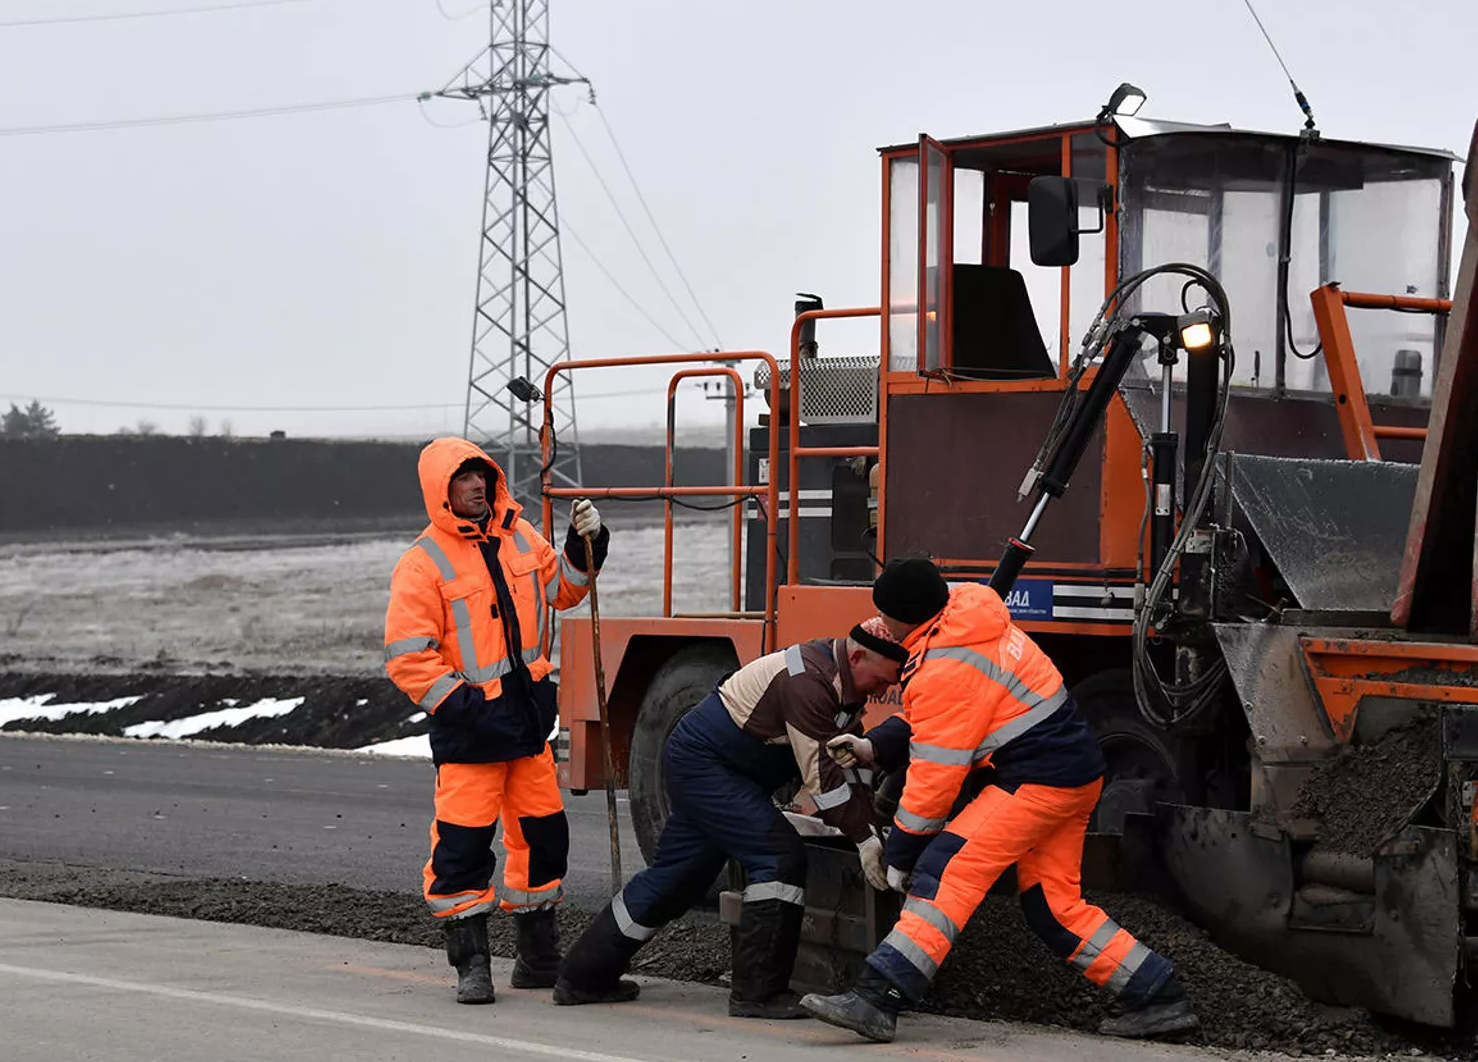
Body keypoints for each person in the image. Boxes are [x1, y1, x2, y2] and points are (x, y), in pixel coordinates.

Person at [802, 559, 1202, 1042]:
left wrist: (902, 854)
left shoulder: (945, 665)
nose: (882, 626)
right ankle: (1158, 995)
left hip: (1037, 781)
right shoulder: (967, 619)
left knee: (945, 870)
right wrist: (873, 748)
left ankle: (878, 996)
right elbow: (938, 719)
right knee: (1053, 905)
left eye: (886, 617)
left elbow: (934, 781)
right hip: (1074, 775)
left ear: (908, 618)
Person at [554, 618, 907, 1018]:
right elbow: (822, 780)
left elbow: (847, 767)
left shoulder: (843, 684)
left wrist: (874, 827)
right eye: (880, 680)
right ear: (858, 656)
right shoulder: (809, 681)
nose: (881, 691)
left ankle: (582, 975)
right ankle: (757, 993)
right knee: (778, 858)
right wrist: (864, 839)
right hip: (708, 766)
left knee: (677, 879)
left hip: (712, 765)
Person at [382, 437, 610, 1005]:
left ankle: (537, 962)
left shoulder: (520, 535)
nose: (478, 486)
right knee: (462, 848)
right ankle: (472, 966)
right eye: (464, 480)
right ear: (442, 492)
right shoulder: (422, 562)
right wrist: (466, 708)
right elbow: (408, 658)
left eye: (482, 476)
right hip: (471, 734)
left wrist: (588, 543)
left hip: (528, 725)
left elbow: (566, 591)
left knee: (543, 840)